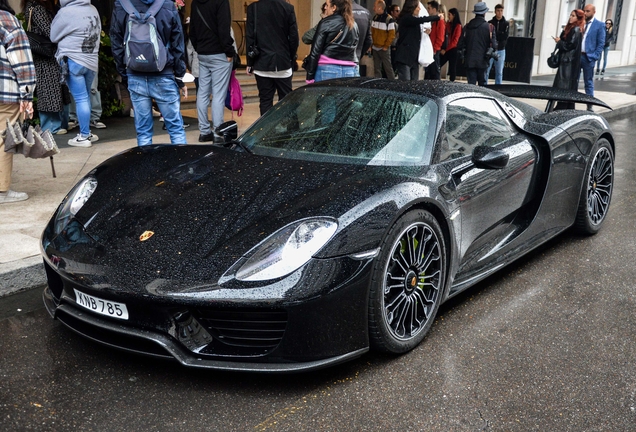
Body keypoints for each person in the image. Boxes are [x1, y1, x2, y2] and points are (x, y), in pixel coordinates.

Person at [111, 0, 188, 146]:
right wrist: (179, 76)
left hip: (135, 73)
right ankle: (180, 166)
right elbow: (178, 44)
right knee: (176, 129)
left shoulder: (122, 5)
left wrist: (124, 71)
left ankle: (145, 167)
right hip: (163, 74)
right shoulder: (167, 5)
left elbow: (116, 41)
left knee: (143, 131)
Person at [50, 0, 101, 147]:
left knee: (80, 99)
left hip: (73, 60)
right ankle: (87, 133)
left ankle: (84, 136)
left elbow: (53, 36)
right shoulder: (93, 9)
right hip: (91, 60)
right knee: (85, 97)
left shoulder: (65, 12)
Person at [0, 0, 36, 203]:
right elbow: (21, 60)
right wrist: (27, 93)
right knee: (3, 138)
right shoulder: (7, 20)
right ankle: (1, 191)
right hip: (4, 92)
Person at [189, 0, 234, 141]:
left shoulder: (195, 2)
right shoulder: (221, 2)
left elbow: (192, 31)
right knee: (218, 94)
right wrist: (229, 51)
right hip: (219, 53)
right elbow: (224, 28)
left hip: (203, 53)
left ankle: (204, 131)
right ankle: (218, 132)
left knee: (202, 92)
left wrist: (199, 48)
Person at [246, 0, 299, 116]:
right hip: (282, 62)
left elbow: (250, 37)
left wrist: (250, 62)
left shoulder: (253, 8)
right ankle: (291, 130)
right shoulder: (288, 8)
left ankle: (266, 133)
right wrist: (290, 57)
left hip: (261, 61)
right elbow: (294, 37)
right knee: (287, 100)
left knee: (265, 100)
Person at [24, 0, 69, 135]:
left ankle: (57, 124)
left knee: (51, 89)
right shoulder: (38, 8)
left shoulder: (34, 6)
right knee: (50, 90)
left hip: (44, 54)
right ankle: (52, 126)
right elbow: (50, 32)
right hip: (46, 55)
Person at [304, 0, 359, 83]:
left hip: (327, 67)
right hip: (349, 70)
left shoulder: (326, 22)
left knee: (324, 96)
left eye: (327, 5)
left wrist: (310, 77)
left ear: (334, 7)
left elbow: (315, 51)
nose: (325, 7)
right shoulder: (353, 24)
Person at [393, 0, 440, 81]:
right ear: (412, 7)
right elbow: (421, 20)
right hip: (404, 58)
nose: (419, 9)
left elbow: (415, 33)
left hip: (414, 58)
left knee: (414, 84)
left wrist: (426, 31)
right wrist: (437, 17)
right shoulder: (406, 18)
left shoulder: (413, 20)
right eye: (418, 7)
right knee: (405, 84)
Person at [551, 9, 584, 110]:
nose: (571, 17)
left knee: (564, 92)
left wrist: (559, 42)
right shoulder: (572, 28)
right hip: (568, 63)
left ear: (578, 18)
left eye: (573, 16)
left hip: (568, 65)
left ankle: (558, 114)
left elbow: (569, 45)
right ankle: (567, 114)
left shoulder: (576, 29)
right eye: (570, 15)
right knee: (568, 95)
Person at [462, 1, 495, 86]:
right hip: (483, 61)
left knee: (471, 85)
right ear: (484, 13)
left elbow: (460, 44)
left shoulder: (467, 26)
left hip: (470, 61)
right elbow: (494, 45)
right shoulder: (489, 27)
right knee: (482, 86)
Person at [580, 4, 605, 108]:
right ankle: (569, 104)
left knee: (588, 82)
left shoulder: (599, 25)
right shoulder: (580, 23)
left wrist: (594, 56)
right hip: (577, 56)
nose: (585, 13)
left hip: (588, 57)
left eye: (588, 11)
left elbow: (601, 43)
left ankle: (589, 106)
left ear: (594, 12)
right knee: (573, 81)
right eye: (584, 11)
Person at [371, 0, 396, 79]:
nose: (373, 8)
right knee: (376, 68)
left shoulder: (389, 19)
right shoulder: (375, 17)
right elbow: (372, 32)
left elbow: (391, 35)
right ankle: (378, 83)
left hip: (383, 48)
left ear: (380, 8)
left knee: (387, 67)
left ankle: (392, 83)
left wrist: (386, 46)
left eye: (375, 6)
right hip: (375, 47)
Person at [486, 3, 508, 85]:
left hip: (501, 50)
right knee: (487, 70)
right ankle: (484, 86)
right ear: (495, 11)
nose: (500, 12)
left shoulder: (506, 24)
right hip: (491, 49)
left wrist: (496, 34)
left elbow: (505, 36)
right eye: (498, 11)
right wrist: (499, 34)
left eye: (501, 11)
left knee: (499, 72)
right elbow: (489, 35)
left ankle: (498, 87)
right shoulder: (490, 23)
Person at [439, 7, 461, 82]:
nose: (448, 16)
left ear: (454, 15)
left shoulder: (458, 26)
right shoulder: (448, 24)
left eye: (449, 15)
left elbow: (455, 40)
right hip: (446, 48)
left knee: (452, 67)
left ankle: (452, 81)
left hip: (453, 49)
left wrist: (446, 49)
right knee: (439, 63)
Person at [423, 1, 444, 80]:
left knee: (434, 73)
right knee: (429, 72)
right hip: (430, 48)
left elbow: (440, 37)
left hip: (434, 49)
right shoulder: (433, 21)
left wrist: (435, 49)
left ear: (434, 9)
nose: (428, 10)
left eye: (429, 8)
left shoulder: (439, 21)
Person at [352, 0, 372, 72]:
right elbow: (369, 40)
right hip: (356, 58)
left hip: (341, 60)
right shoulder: (366, 12)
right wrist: (359, 53)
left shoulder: (343, 11)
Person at [388, 3, 400, 74]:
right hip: (392, 46)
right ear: (392, 12)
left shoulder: (398, 21)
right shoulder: (390, 21)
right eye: (397, 11)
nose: (398, 13)